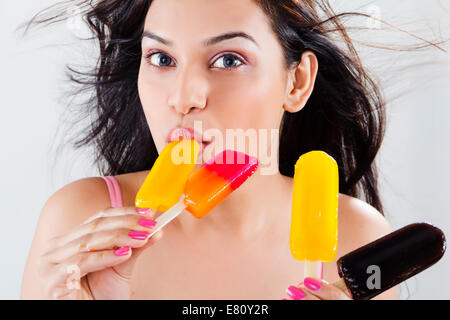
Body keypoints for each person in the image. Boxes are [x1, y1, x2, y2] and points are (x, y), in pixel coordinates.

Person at [21, 0, 398, 299]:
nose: (183, 97)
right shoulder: (81, 222)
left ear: (297, 82)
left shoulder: (357, 236)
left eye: (228, 60)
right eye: (161, 59)